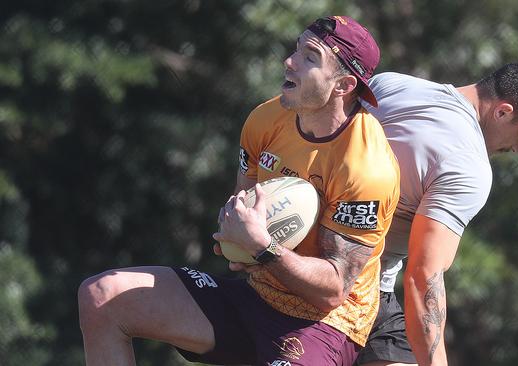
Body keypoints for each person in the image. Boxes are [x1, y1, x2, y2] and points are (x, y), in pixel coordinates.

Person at [77, 15, 400, 366]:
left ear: (343, 85)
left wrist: (262, 247)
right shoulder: (266, 119)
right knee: (101, 297)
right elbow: (242, 206)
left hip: (323, 324)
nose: (289, 61)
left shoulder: (367, 168)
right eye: (296, 49)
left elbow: (334, 290)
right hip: (254, 295)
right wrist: (235, 235)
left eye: (310, 56)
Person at [355, 49, 518, 366]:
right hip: (358, 288)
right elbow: (423, 275)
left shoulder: (390, 85)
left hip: (291, 251)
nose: (517, 149)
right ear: (503, 112)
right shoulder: (469, 165)